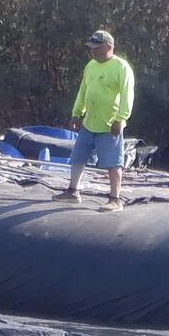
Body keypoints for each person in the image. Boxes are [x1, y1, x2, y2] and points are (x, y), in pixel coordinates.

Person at [62, 28, 135, 205]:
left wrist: (120, 119)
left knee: (113, 163)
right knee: (78, 156)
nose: (92, 51)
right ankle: (73, 191)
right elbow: (83, 90)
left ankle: (114, 199)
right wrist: (76, 113)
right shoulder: (91, 65)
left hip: (109, 124)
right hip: (89, 122)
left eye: (96, 47)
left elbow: (127, 95)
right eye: (91, 47)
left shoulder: (121, 67)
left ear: (108, 47)